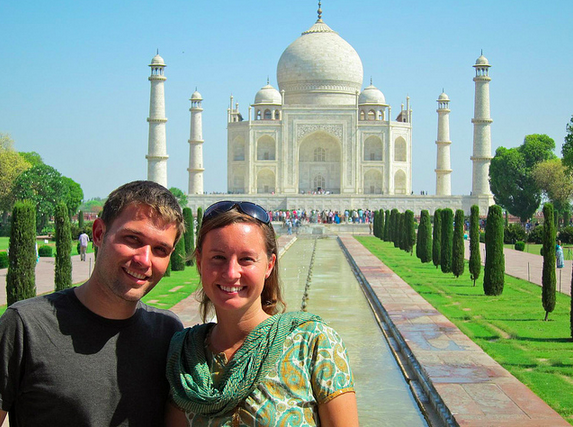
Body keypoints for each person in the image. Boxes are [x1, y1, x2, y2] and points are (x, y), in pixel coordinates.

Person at [0, 180, 185, 426]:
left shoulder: (167, 333)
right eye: (132, 238)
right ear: (99, 234)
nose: (144, 259)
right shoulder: (26, 326)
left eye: (160, 249)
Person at [165, 201, 358, 426]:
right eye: (218, 257)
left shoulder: (313, 344)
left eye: (246, 259)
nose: (231, 273)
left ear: (269, 265)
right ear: (199, 262)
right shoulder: (186, 356)